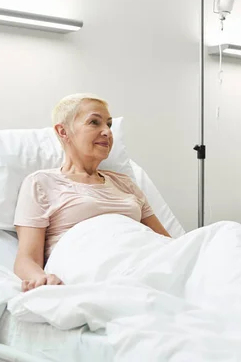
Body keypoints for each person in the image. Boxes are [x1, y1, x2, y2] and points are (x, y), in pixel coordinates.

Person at [13, 93, 171, 292]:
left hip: (148, 260)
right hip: (93, 267)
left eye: (109, 125)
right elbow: (26, 259)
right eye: (94, 122)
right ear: (63, 131)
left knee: (219, 234)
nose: (107, 132)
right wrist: (42, 279)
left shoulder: (125, 184)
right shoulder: (41, 183)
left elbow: (168, 244)